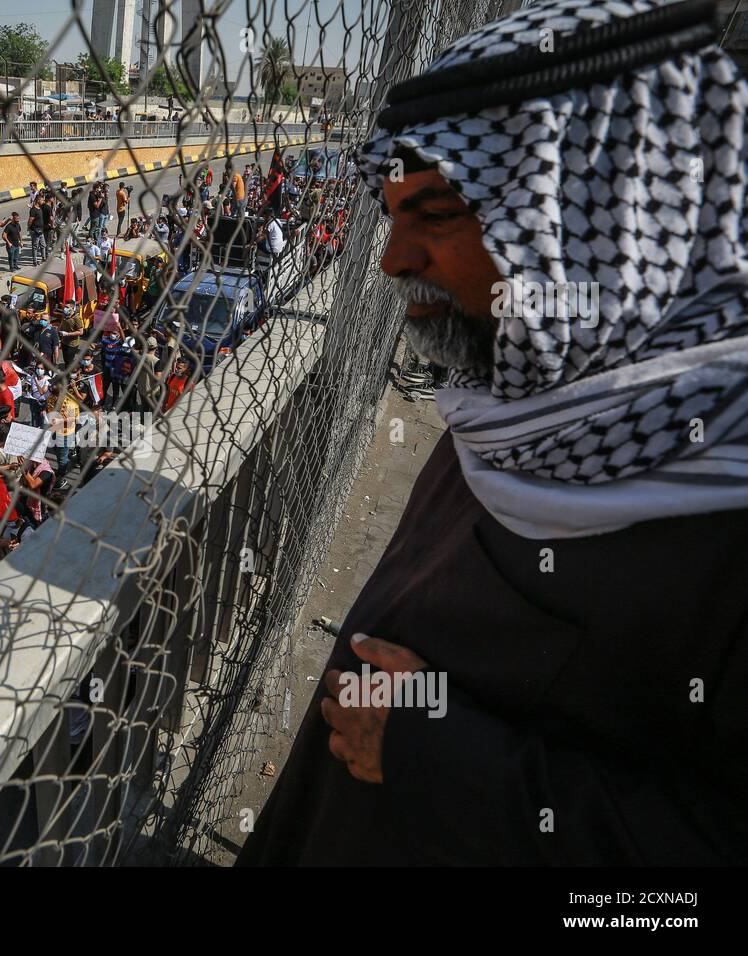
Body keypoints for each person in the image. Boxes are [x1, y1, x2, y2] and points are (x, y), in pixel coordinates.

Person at [239, 0, 748, 867]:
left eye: (435, 215)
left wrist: (437, 756)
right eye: (393, 214)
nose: (392, 259)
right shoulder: (515, 396)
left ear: (600, 229)